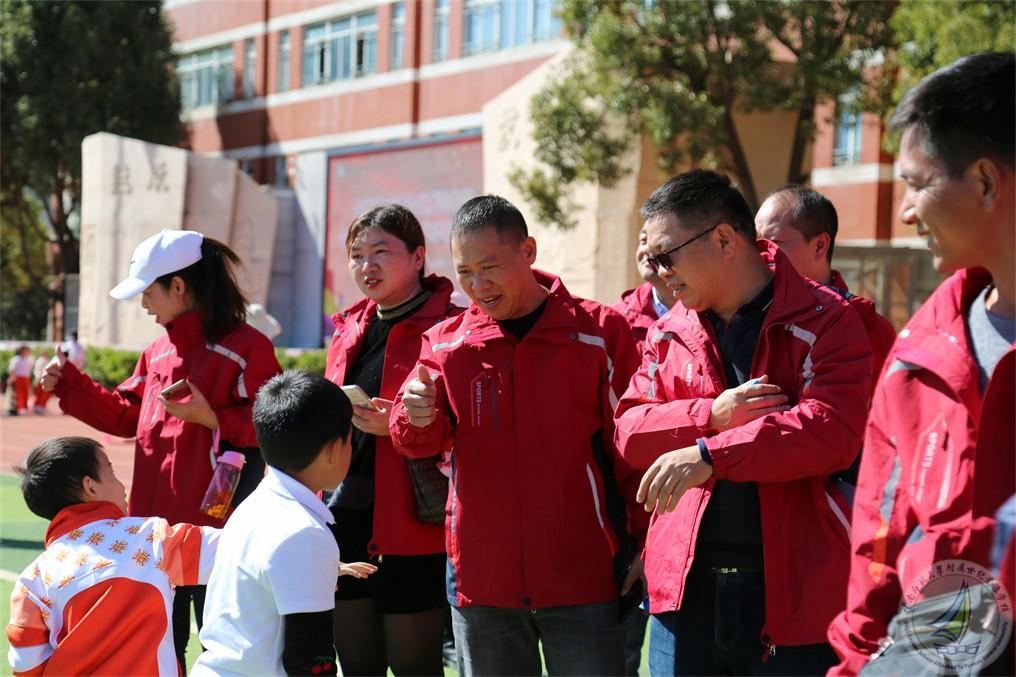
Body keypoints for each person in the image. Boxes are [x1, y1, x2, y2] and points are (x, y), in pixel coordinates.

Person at [613, 169, 874, 675]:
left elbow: (830, 431)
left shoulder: (827, 317)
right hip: (682, 593)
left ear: (723, 239)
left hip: (793, 593)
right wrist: (710, 416)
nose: (657, 270)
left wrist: (710, 456)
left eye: (666, 255)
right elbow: (629, 430)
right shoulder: (670, 330)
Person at [390, 195, 643, 676]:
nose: (477, 285)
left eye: (490, 267)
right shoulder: (445, 344)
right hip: (482, 583)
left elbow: (634, 449)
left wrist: (647, 539)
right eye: (465, 272)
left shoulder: (599, 333)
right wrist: (413, 415)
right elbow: (414, 436)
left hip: (583, 578)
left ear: (528, 251)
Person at [827, 52, 1015, 676]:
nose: (906, 211)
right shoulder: (920, 352)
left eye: (916, 182)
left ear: (985, 182)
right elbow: (878, 544)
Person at [41, 229, 282, 668]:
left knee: (227, 647)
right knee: (155, 646)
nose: (144, 305)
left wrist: (213, 418)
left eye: (148, 292)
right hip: (152, 534)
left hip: (218, 533)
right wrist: (70, 383)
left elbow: (277, 424)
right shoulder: (156, 352)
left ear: (179, 286)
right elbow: (125, 416)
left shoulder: (247, 348)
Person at [325, 204, 460, 676]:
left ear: (418, 256)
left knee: (415, 666)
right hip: (345, 518)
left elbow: (473, 421)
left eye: (381, 251)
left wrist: (401, 425)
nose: (367, 265)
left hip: (415, 524)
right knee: (356, 664)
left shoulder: (454, 328)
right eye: (357, 254)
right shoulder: (349, 330)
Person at [6, 436, 219, 675]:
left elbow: (26, 665)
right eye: (112, 472)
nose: (121, 485)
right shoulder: (151, 538)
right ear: (91, 486)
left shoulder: (32, 579)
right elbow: (232, 551)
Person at [193, 370, 355, 676]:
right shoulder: (304, 533)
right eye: (351, 440)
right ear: (334, 450)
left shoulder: (253, 507)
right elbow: (310, 659)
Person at [756, 185, 896, 377]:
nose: (761, 254)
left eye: (773, 243)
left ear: (819, 246)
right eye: (755, 243)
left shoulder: (868, 328)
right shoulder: (741, 312)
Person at [613, 225, 673, 675]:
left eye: (660, 241)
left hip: (684, 522)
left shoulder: (715, 319)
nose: (646, 250)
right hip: (621, 526)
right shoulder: (612, 323)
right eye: (641, 238)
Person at [614, 226, 676, 356]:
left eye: (657, 240)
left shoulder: (709, 309)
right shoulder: (617, 319)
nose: (647, 249)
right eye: (643, 240)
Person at [8, 346, 33, 415]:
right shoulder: (16, 359)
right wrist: (11, 378)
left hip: (26, 378)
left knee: (26, 393)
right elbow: (12, 369)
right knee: (19, 393)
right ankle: (19, 408)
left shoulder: (29, 359)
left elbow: (30, 369)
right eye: (24, 351)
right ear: (20, 351)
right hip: (18, 378)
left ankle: (24, 407)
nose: (26, 352)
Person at [32, 349, 53, 414]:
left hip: (45, 378)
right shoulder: (41, 361)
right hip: (42, 378)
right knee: (41, 393)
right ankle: (39, 406)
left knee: (44, 393)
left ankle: (41, 405)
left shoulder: (46, 360)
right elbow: (39, 371)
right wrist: (39, 378)